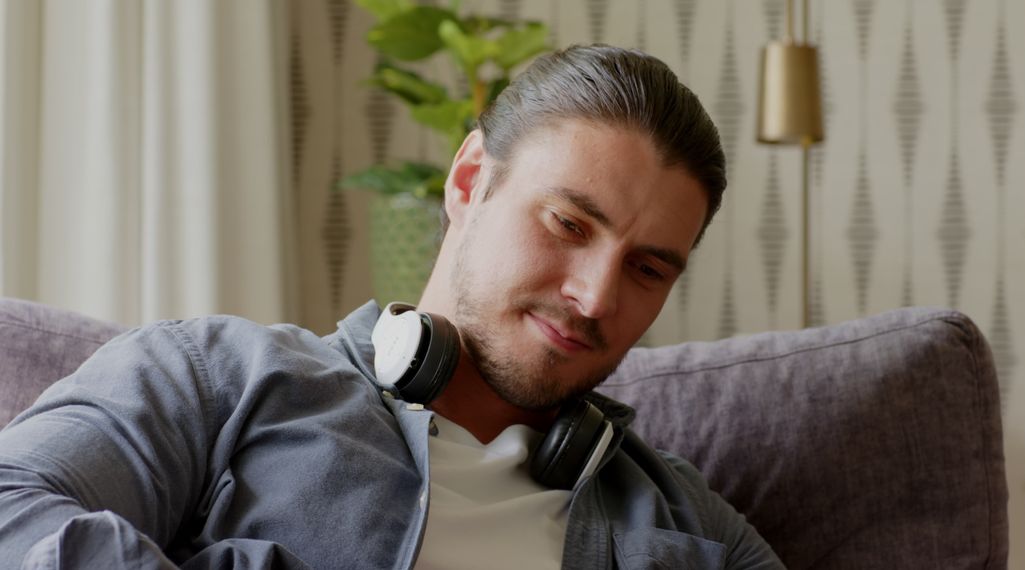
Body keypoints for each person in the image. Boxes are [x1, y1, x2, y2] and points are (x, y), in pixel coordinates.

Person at [0, 45, 784, 569]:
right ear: (471, 182)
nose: (595, 297)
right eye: (569, 225)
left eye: (647, 269)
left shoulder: (690, 519)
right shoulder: (218, 376)